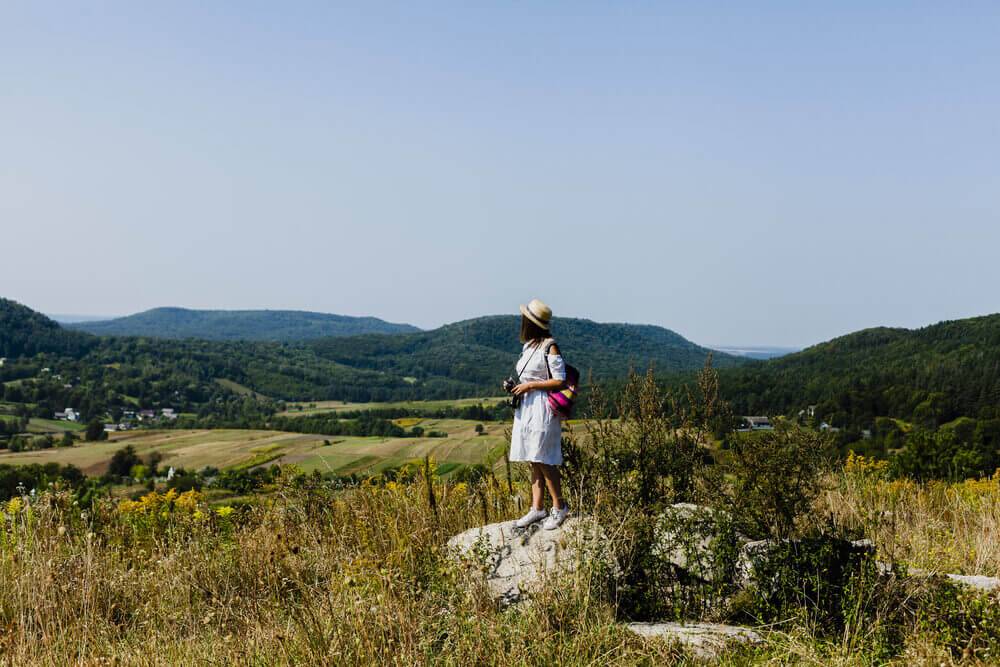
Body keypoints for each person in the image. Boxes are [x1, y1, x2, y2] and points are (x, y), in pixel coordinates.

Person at [506, 299, 569, 530]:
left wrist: (530, 386)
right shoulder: (530, 345)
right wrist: (516, 385)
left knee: (544, 458)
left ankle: (559, 507)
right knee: (533, 457)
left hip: (543, 407)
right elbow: (529, 377)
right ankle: (537, 508)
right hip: (527, 407)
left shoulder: (550, 346)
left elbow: (559, 380)